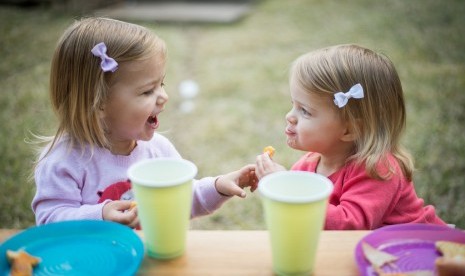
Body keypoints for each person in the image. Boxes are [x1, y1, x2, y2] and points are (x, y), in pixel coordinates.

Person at [31, 17, 257, 228]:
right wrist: (100, 214)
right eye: (148, 91)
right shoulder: (64, 161)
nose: (164, 97)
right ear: (98, 103)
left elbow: (181, 198)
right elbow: (50, 219)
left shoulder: (158, 150)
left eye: (162, 84)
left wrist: (218, 187)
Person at [255, 44, 446, 230]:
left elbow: (351, 226)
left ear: (350, 130)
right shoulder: (305, 167)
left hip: (424, 248)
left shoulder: (378, 169)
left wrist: (287, 187)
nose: (290, 116)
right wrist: (274, 186)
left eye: (305, 111)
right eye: (293, 105)